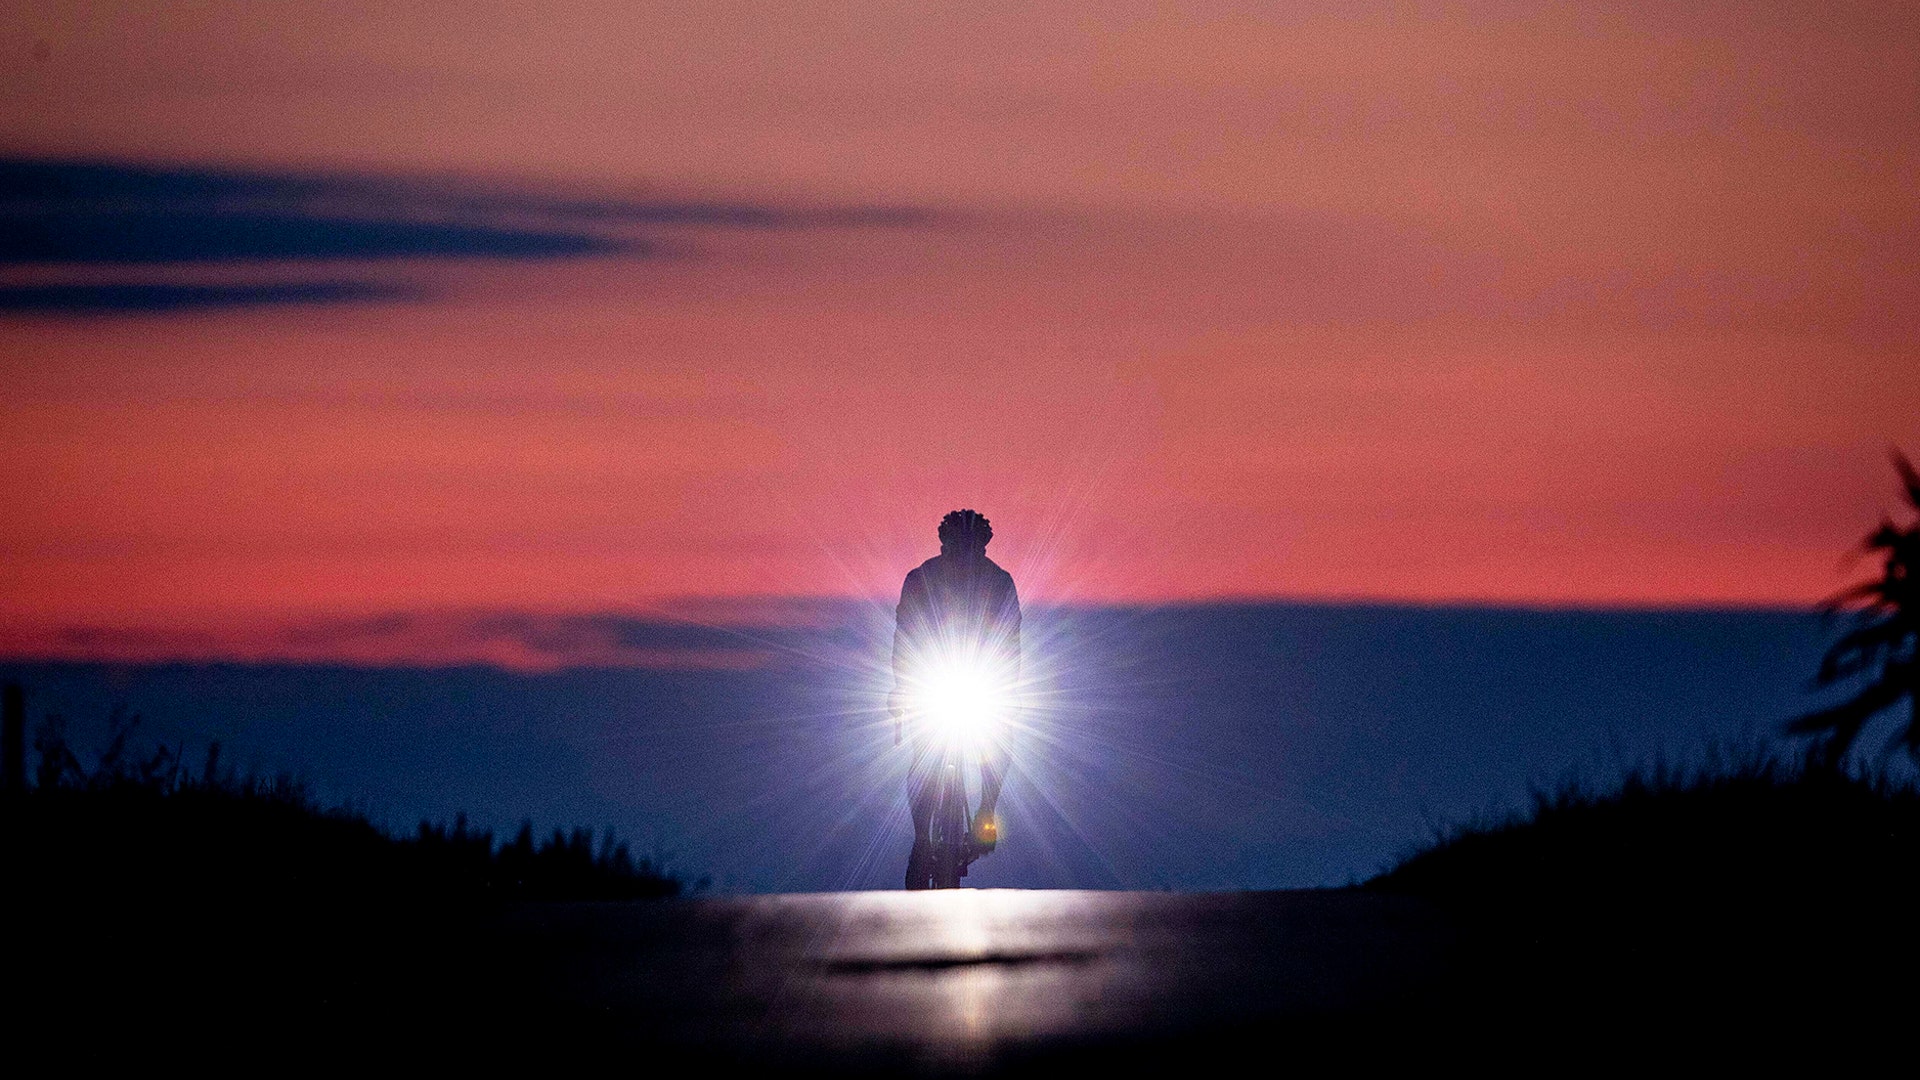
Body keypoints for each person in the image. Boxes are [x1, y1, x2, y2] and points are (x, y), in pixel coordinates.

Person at [890, 509, 1021, 890]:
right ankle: (922, 836)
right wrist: (902, 686)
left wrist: (1008, 691)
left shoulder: (1000, 583)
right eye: (956, 547)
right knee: (923, 759)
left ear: (983, 547)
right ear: (944, 545)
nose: (963, 554)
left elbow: (1011, 642)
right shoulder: (920, 579)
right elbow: (905, 637)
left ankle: (985, 811)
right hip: (931, 679)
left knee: (998, 740)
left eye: (972, 547)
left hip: (982, 680)